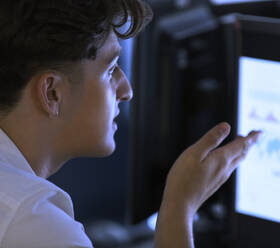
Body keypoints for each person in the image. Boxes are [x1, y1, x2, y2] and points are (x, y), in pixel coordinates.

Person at [0, 0, 261, 247]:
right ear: (52, 93)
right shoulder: (36, 228)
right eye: (111, 70)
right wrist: (179, 208)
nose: (126, 91)